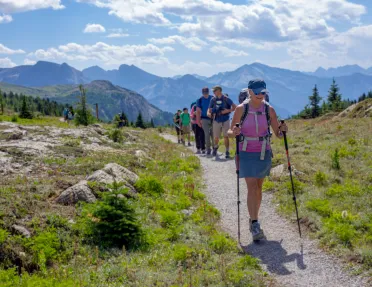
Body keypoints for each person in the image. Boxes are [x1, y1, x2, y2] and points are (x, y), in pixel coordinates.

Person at [228, 79, 288, 241]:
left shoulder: (270, 110)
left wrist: (283, 131)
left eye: (263, 92)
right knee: (252, 187)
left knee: (259, 188)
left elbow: (278, 133)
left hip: (264, 152)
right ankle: (255, 223)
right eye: (258, 92)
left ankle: (254, 217)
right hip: (246, 152)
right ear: (250, 92)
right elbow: (229, 131)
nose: (261, 95)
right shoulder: (241, 109)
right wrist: (234, 132)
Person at [208, 86, 236, 158]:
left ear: (219, 91)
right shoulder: (213, 100)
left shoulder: (226, 99)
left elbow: (235, 107)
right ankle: (216, 147)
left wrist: (227, 111)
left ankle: (227, 151)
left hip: (225, 119)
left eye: (215, 91)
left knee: (226, 136)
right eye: (213, 91)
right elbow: (209, 109)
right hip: (216, 119)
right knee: (216, 137)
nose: (213, 92)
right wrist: (208, 113)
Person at [196, 87, 213, 154]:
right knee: (206, 134)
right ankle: (208, 148)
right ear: (202, 93)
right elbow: (198, 112)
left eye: (206, 92)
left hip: (212, 118)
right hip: (204, 118)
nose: (205, 94)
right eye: (204, 93)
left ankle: (214, 147)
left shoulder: (213, 98)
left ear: (208, 92)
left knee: (213, 134)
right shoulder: (199, 100)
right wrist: (198, 121)